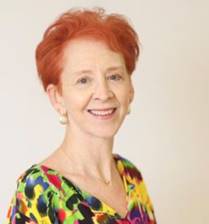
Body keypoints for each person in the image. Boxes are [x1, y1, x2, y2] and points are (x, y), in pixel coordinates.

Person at [6, 7, 157, 224]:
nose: (104, 94)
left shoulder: (131, 176)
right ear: (57, 97)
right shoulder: (38, 191)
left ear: (130, 89)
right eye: (84, 80)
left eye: (114, 76)